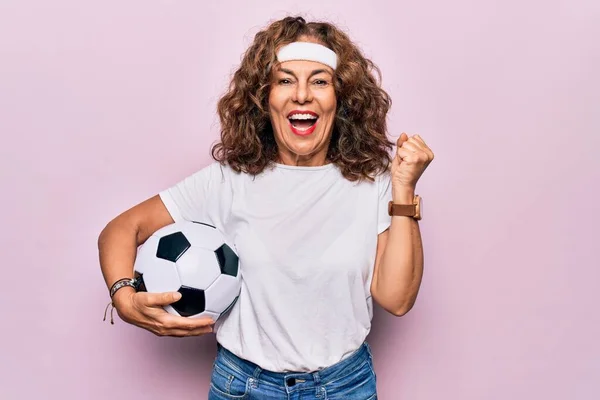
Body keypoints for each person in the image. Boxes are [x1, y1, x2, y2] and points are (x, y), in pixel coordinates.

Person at [98, 15, 434, 400]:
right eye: (285, 80)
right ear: (264, 97)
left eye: (320, 81)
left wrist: (404, 189)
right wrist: (124, 297)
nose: (302, 95)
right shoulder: (227, 180)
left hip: (344, 388)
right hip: (243, 387)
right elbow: (120, 230)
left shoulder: (375, 182)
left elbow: (397, 298)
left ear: (341, 98)